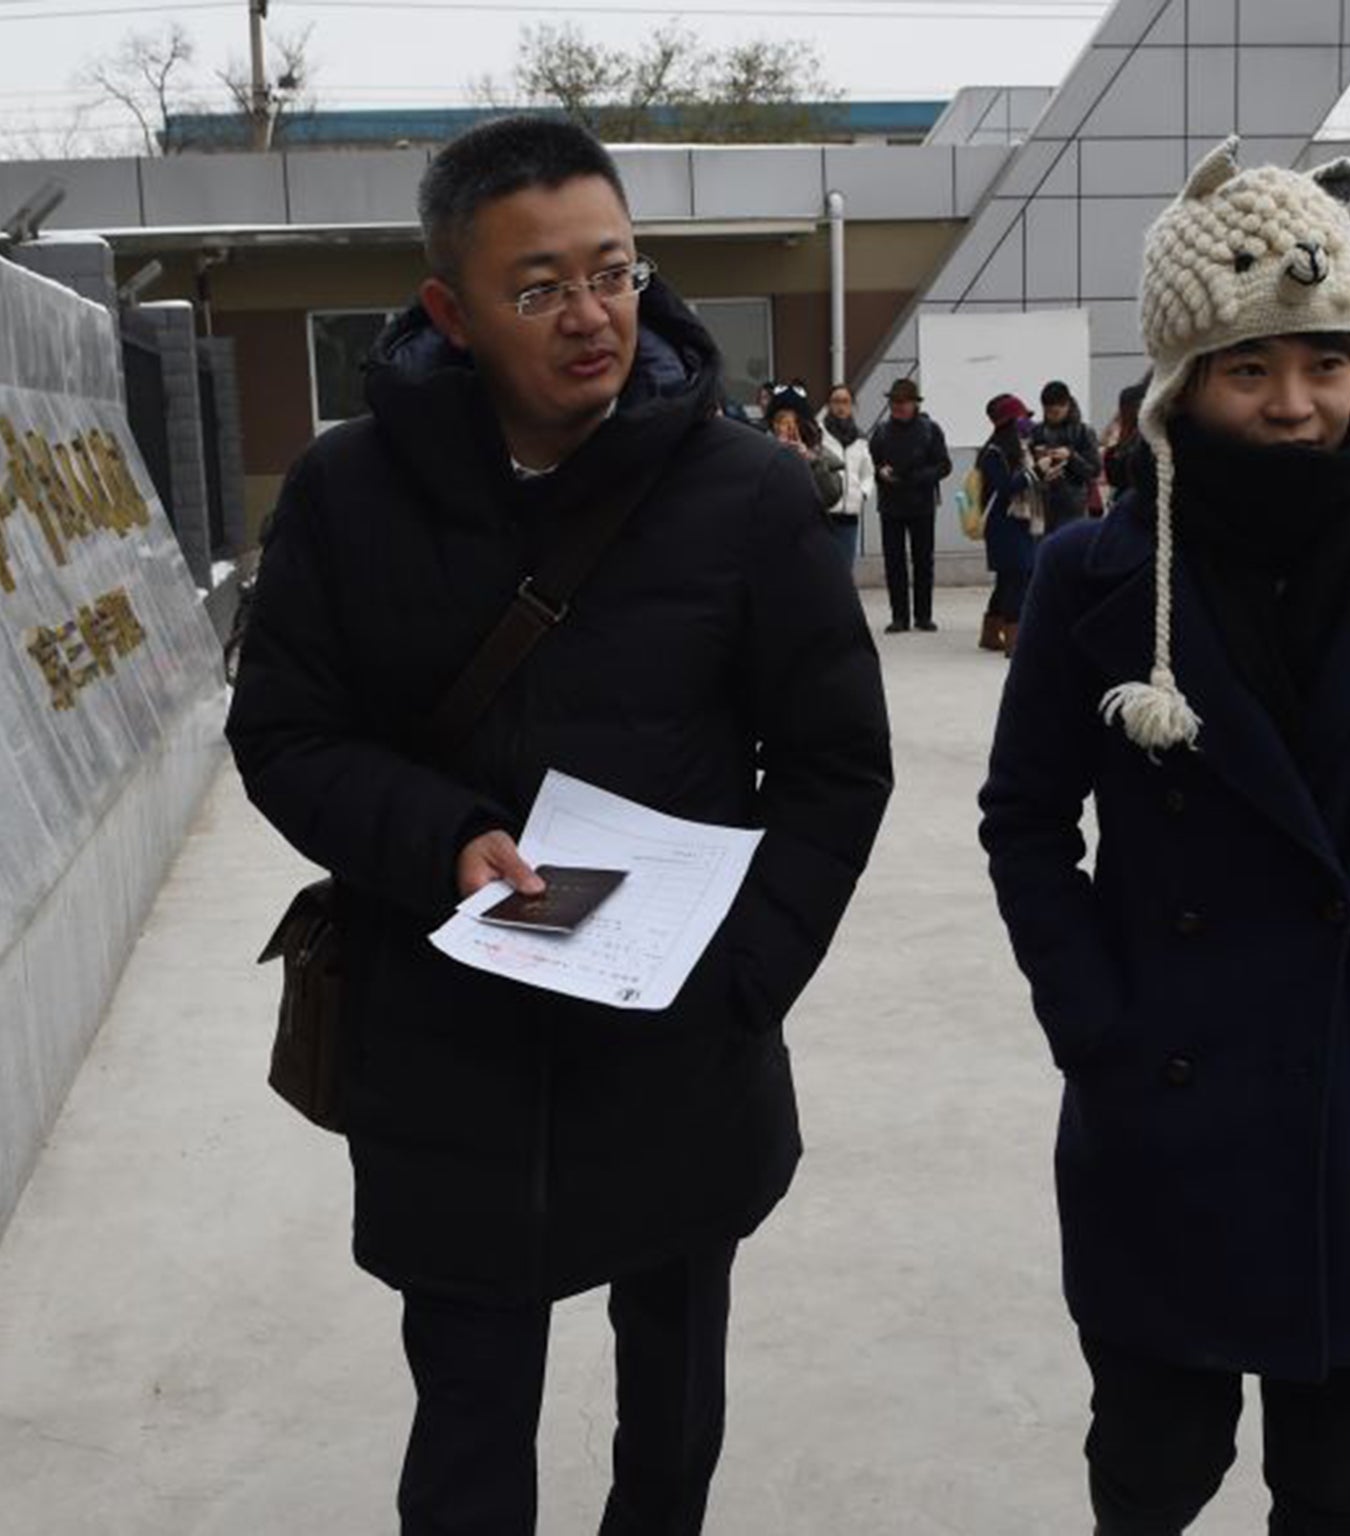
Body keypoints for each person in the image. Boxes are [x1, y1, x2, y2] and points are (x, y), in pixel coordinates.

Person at [225, 116, 893, 1535]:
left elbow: (837, 765)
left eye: (614, 271)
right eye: (540, 288)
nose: (591, 315)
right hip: (443, 1042)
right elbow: (284, 733)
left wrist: (743, 979)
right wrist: (439, 838)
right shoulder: (350, 496)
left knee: (672, 1409)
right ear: (448, 313)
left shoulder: (749, 498)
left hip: (677, 1046)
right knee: (465, 1423)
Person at [979, 139, 1350, 1535]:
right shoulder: (1092, 577)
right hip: (1163, 1081)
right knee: (1156, 1467)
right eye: (1252, 370)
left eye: (1326, 364)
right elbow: (1025, 821)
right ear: (1185, 385)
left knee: (1346, 1481)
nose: (1298, 404)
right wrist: (1091, 1015)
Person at [867, 376, 952, 633]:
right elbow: (870, 465)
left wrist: (919, 477)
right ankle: (899, 617)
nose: (899, 407)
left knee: (923, 561)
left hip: (922, 504)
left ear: (915, 404)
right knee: (894, 563)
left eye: (904, 402)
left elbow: (944, 465)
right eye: (895, 402)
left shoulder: (930, 429)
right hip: (891, 505)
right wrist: (880, 473)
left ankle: (923, 615)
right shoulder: (881, 432)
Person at [977, 392, 1039, 655]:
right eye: (1022, 419)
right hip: (1003, 523)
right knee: (1017, 577)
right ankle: (1015, 640)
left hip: (1021, 521)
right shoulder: (993, 453)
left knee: (1008, 580)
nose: (1027, 424)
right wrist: (1035, 473)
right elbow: (1005, 488)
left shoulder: (1022, 449)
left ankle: (990, 634)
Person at [1031, 378, 1103, 532]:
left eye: (1056, 412)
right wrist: (1040, 467)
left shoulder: (1083, 432)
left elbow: (1094, 470)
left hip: (1074, 506)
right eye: (1048, 412)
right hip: (1043, 505)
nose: (1052, 416)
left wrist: (1070, 456)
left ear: (1067, 405)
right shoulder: (1037, 432)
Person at [821, 381, 877, 570]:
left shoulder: (860, 439)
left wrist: (863, 494)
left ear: (852, 406)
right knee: (824, 570)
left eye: (845, 401)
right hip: (825, 514)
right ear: (829, 405)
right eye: (836, 401)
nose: (840, 407)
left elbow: (868, 474)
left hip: (850, 516)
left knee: (845, 571)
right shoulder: (819, 436)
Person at [767, 386, 844, 516]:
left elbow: (831, 497)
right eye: (779, 421)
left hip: (807, 527)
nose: (784, 428)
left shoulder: (818, 453)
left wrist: (811, 461)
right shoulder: (761, 448)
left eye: (790, 422)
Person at [1099, 376, 1148, 503]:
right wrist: (1112, 450)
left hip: (1137, 500)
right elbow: (1113, 477)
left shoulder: (1147, 435)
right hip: (1125, 499)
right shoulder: (1124, 433)